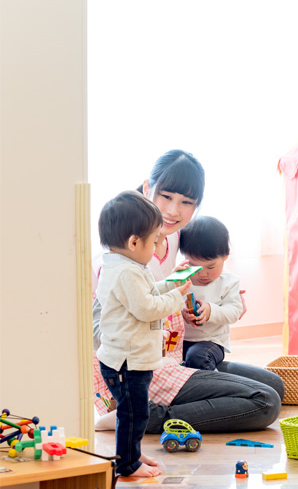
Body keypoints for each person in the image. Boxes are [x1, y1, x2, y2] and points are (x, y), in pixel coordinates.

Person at [93, 149, 284, 437]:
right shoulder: (124, 250)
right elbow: (100, 332)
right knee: (264, 401)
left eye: (186, 202)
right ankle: (149, 416)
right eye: (166, 196)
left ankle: (182, 394)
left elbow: (210, 263)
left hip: (175, 355)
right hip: (142, 366)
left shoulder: (176, 237)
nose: (173, 211)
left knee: (276, 385)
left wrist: (226, 294)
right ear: (147, 188)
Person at [96, 191, 192, 477]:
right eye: (155, 241)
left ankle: (132, 454)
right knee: (134, 413)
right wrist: (176, 298)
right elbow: (147, 308)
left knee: (135, 412)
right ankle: (127, 464)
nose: (158, 246)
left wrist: (171, 286)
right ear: (134, 242)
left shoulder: (126, 266)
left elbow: (148, 293)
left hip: (130, 360)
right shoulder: (126, 273)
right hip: (127, 363)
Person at [178, 216, 242, 371]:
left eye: (211, 267)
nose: (202, 274)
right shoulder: (180, 277)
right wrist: (182, 314)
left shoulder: (228, 281)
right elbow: (166, 304)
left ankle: (216, 386)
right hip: (179, 341)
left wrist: (210, 310)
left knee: (197, 357)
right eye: (194, 266)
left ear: (225, 256)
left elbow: (234, 312)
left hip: (211, 342)